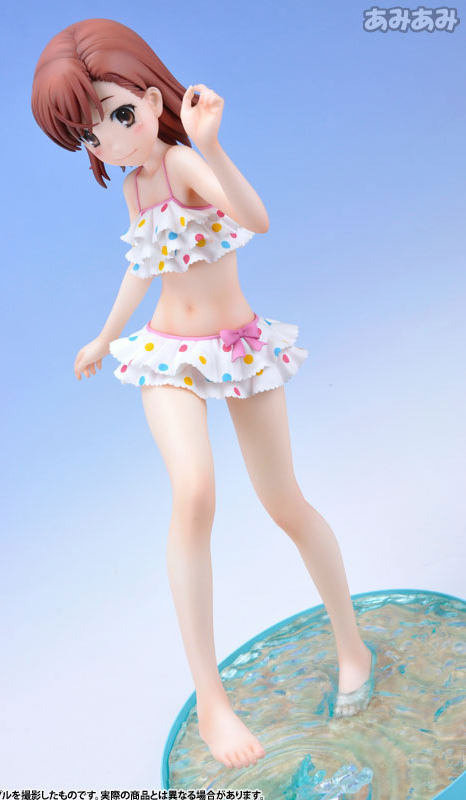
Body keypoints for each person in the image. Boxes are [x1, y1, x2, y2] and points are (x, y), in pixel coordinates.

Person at [31, 17, 375, 771]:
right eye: (88, 135)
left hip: (237, 348)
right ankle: (211, 698)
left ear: (153, 100)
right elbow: (143, 266)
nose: (108, 141)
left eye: (118, 116)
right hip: (166, 351)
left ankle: (352, 647)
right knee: (193, 493)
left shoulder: (183, 163)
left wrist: (211, 145)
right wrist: (104, 336)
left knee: (284, 502)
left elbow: (255, 219)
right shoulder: (134, 185)